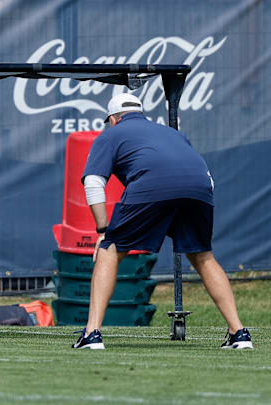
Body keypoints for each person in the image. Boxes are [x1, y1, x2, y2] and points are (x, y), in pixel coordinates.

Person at [73, 93, 252, 350]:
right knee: (203, 256)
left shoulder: (111, 135)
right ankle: (239, 333)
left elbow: (93, 182)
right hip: (200, 188)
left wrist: (103, 230)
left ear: (113, 119)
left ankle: (91, 334)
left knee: (109, 251)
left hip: (152, 185)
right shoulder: (172, 133)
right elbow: (206, 177)